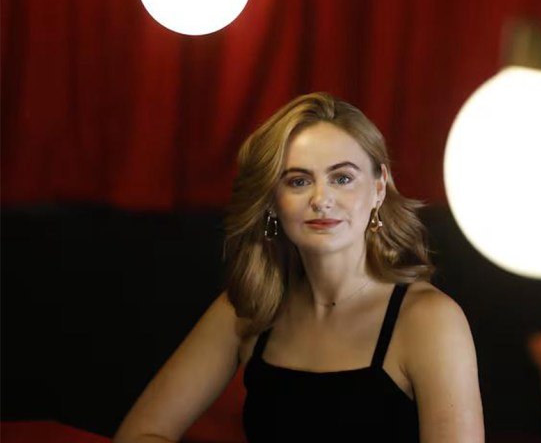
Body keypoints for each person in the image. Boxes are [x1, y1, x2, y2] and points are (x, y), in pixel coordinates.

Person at [113, 92, 484, 442]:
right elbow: (139, 434)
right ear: (273, 201)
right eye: (299, 181)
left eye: (342, 178)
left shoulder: (429, 320)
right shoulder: (248, 308)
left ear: (379, 188)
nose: (321, 200)